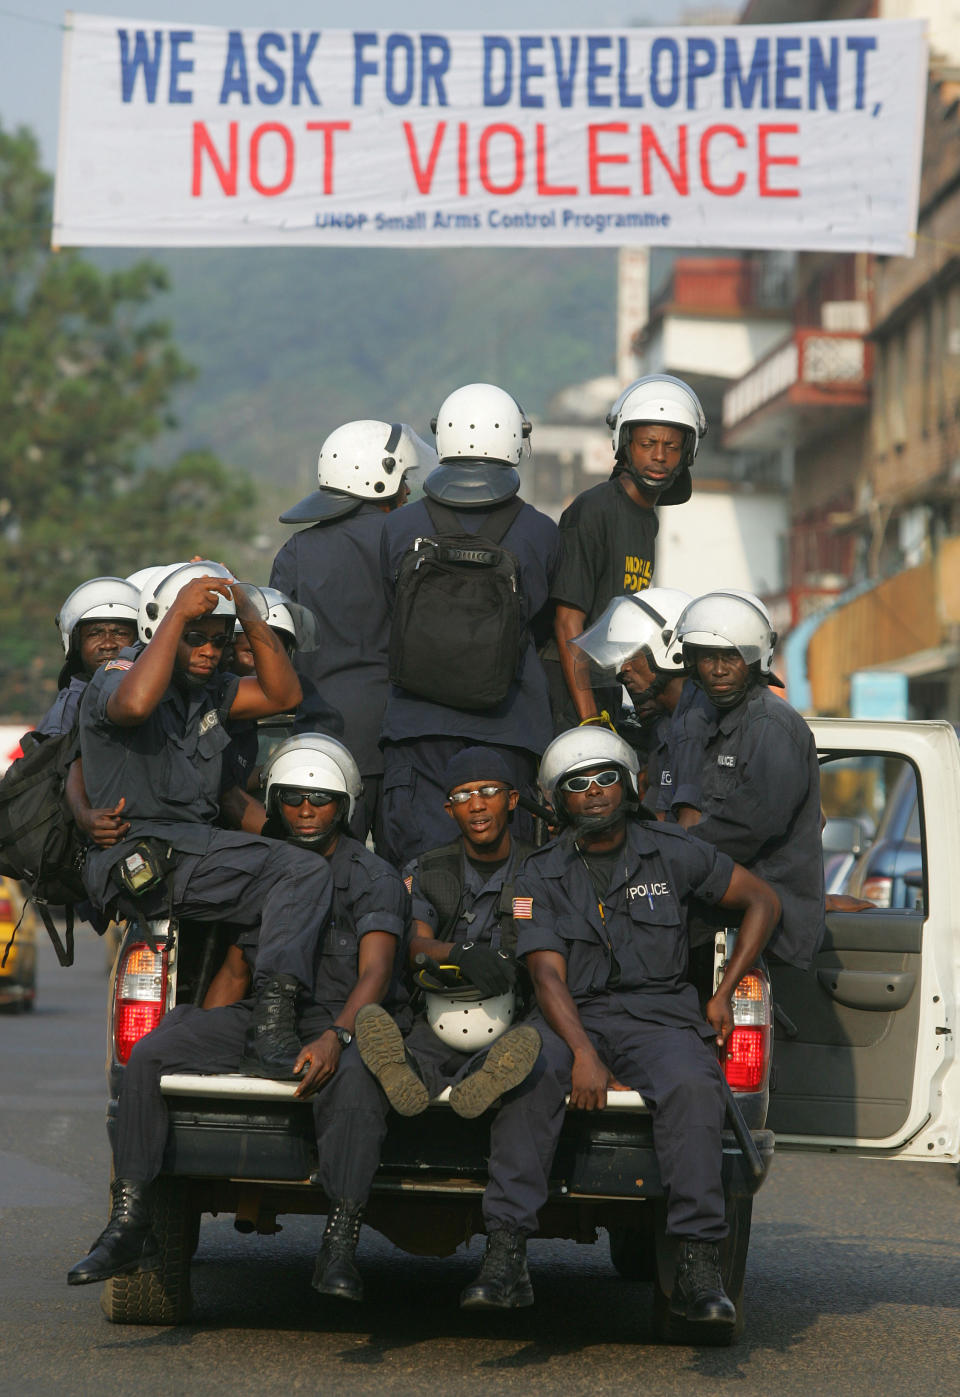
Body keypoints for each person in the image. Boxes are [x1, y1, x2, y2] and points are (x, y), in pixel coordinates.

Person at [67, 734, 410, 1304]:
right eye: (293, 798)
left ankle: (339, 1244)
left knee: (353, 1084)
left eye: (320, 799)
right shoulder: (263, 869)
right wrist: (203, 1040)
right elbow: (236, 967)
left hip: (336, 1019)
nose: (305, 810)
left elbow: (374, 974)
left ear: (345, 806)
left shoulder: (372, 876)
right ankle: (130, 1226)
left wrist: (335, 1038)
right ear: (274, 803)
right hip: (265, 1019)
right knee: (154, 1051)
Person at [456, 727, 780, 1331]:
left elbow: (763, 900)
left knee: (692, 1084)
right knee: (533, 1073)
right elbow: (547, 976)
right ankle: (505, 1256)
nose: (595, 792)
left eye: (606, 777)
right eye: (577, 785)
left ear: (629, 785)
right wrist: (581, 1052)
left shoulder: (673, 850)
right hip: (572, 1015)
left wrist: (725, 992)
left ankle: (697, 1265)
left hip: (660, 1017)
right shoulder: (539, 874)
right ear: (558, 802)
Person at [77, 559, 338, 1079]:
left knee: (298, 875)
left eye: (218, 642)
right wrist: (177, 615)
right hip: (141, 852)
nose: (209, 652)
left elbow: (284, 696)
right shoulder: (119, 674)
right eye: (196, 638)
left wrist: (246, 609)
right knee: (302, 874)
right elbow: (134, 706)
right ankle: (271, 1030)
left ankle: (222, 1026)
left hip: (192, 853)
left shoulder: (208, 693)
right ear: (161, 628)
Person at [379, 383, 559, 867]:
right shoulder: (541, 531)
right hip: (507, 729)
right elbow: (541, 623)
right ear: (513, 442)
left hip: (417, 730)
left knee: (417, 875)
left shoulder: (397, 528)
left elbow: (388, 612)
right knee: (507, 876)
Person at [355, 746, 540, 1121]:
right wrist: (459, 953)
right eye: (462, 796)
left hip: (516, 1008)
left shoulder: (542, 869)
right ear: (449, 809)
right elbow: (416, 944)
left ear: (513, 800)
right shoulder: (427, 870)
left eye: (488, 791)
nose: (476, 805)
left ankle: (482, 1075)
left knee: (524, 1046)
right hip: (442, 1006)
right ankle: (407, 1069)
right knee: (420, 1049)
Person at [270, 420, 430, 847]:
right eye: (403, 480)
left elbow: (277, 650)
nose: (409, 491)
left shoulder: (296, 552)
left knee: (328, 879)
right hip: (401, 738)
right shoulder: (414, 544)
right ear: (379, 479)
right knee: (409, 878)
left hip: (321, 743)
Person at [671, 590, 826, 970]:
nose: (718, 669)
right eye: (708, 657)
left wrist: (668, 857)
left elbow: (749, 825)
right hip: (721, 911)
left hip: (769, 926)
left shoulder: (772, 725)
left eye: (731, 657)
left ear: (755, 658)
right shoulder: (706, 719)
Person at [546, 375, 705, 732]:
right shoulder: (594, 510)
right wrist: (588, 719)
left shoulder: (647, 520)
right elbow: (568, 621)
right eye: (648, 443)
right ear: (625, 444)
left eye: (672, 446)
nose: (660, 456)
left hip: (606, 691)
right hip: (566, 696)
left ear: (687, 454)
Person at [566, 586, 716, 815]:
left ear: (670, 646)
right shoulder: (667, 726)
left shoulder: (699, 722)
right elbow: (657, 817)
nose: (622, 669)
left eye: (630, 654)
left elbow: (687, 829)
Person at [36, 576, 140, 737]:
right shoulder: (67, 717)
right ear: (76, 643)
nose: (108, 644)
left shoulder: (157, 697)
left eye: (120, 634)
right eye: (94, 634)